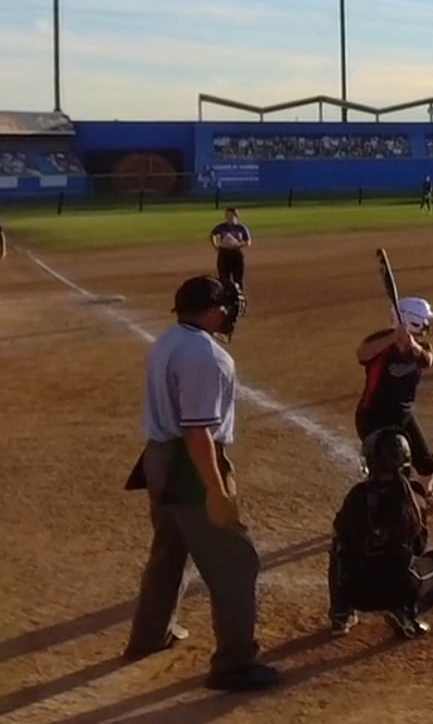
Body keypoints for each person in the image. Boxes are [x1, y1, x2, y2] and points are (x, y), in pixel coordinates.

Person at [123, 275, 280, 692]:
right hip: (188, 465)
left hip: (158, 458)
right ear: (212, 311)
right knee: (235, 561)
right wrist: (215, 490)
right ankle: (234, 665)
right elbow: (197, 432)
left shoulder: (169, 339)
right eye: (224, 307)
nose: (229, 314)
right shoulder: (206, 356)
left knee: (170, 549)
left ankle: (150, 635)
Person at [328, 427, 433, 639]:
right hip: (396, 590)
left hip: (356, 593)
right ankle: (406, 612)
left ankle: (341, 613)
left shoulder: (356, 495)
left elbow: (340, 538)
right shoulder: (411, 498)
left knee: (339, 545)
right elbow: (418, 547)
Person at [355, 297, 433, 513]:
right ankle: (382, 506)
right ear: (411, 321)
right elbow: (363, 354)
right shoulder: (381, 343)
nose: (427, 326)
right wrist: (393, 337)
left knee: (426, 463)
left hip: (402, 414)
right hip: (373, 415)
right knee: (391, 464)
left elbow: (427, 360)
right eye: (423, 321)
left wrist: (412, 344)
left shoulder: (421, 346)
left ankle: (426, 493)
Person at [209, 208, 251, 296]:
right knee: (224, 278)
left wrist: (238, 244)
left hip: (236, 254)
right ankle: (226, 296)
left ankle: (239, 296)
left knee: (238, 278)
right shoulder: (222, 227)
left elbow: (248, 242)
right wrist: (216, 245)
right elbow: (213, 234)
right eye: (227, 215)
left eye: (231, 215)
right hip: (224, 254)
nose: (229, 217)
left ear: (236, 216)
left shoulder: (241, 228)